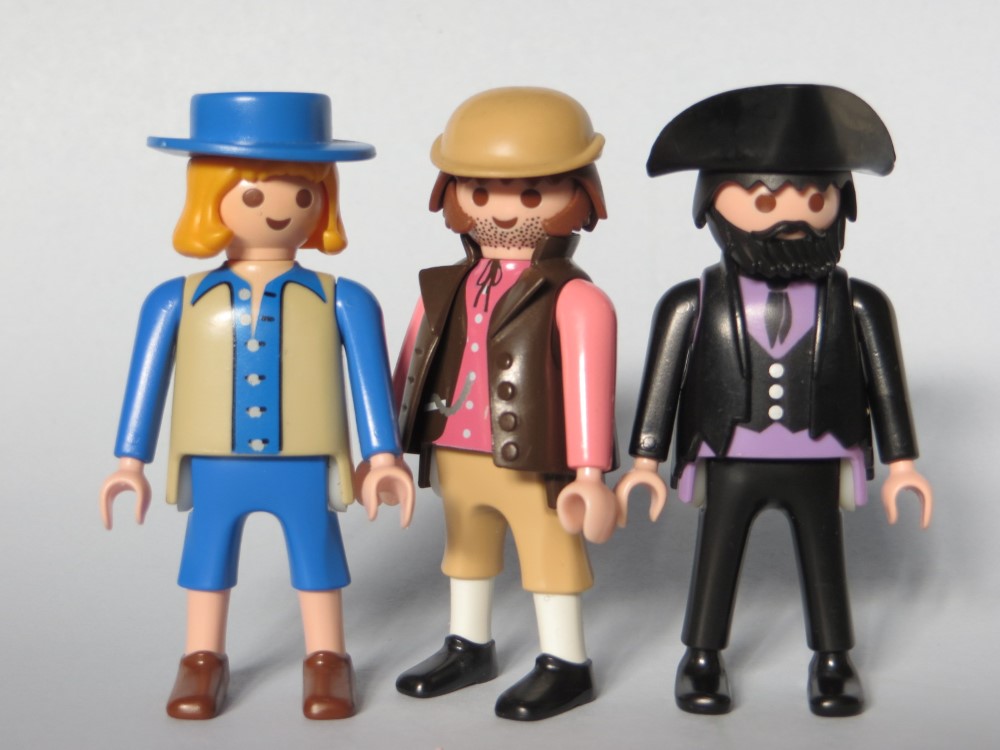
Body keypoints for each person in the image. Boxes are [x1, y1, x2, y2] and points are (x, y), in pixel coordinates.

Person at [616, 84, 933, 717]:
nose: (793, 217)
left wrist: (903, 465)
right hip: (729, 454)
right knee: (716, 555)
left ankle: (833, 659)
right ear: (712, 204)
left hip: (817, 454)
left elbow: (886, 386)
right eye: (764, 200)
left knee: (825, 558)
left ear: (841, 204)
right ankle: (702, 655)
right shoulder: (692, 302)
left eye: (815, 199)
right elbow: (663, 382)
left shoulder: (858, 302)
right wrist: (645, 462)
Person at [99, 92, 414, 720]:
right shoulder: (175, 299)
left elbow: (370, 381)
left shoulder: (344, 298)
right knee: (207, 557)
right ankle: (201, 658)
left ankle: (327, 658)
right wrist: (129, 461)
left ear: (324, 200)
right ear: (209, 199)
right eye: (252, 196)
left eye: (303, 194)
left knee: (316, 555)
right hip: (216, 461)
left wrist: (383, 456)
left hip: (306, 460)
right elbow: (146, 381)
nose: (279, 210)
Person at [393, 87, 617, 721]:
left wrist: (590, 473)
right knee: (466, 549)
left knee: (550, 553)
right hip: (454, 449)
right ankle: (468, 645)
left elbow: (589, 385)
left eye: (531, 194)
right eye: (481, 192)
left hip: (533, 455)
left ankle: (565, 661)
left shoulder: (574, 297)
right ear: (453, 194)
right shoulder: (444, 287)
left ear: (579, 196)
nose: (504, 211)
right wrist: (385, 448)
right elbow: (411, 363)